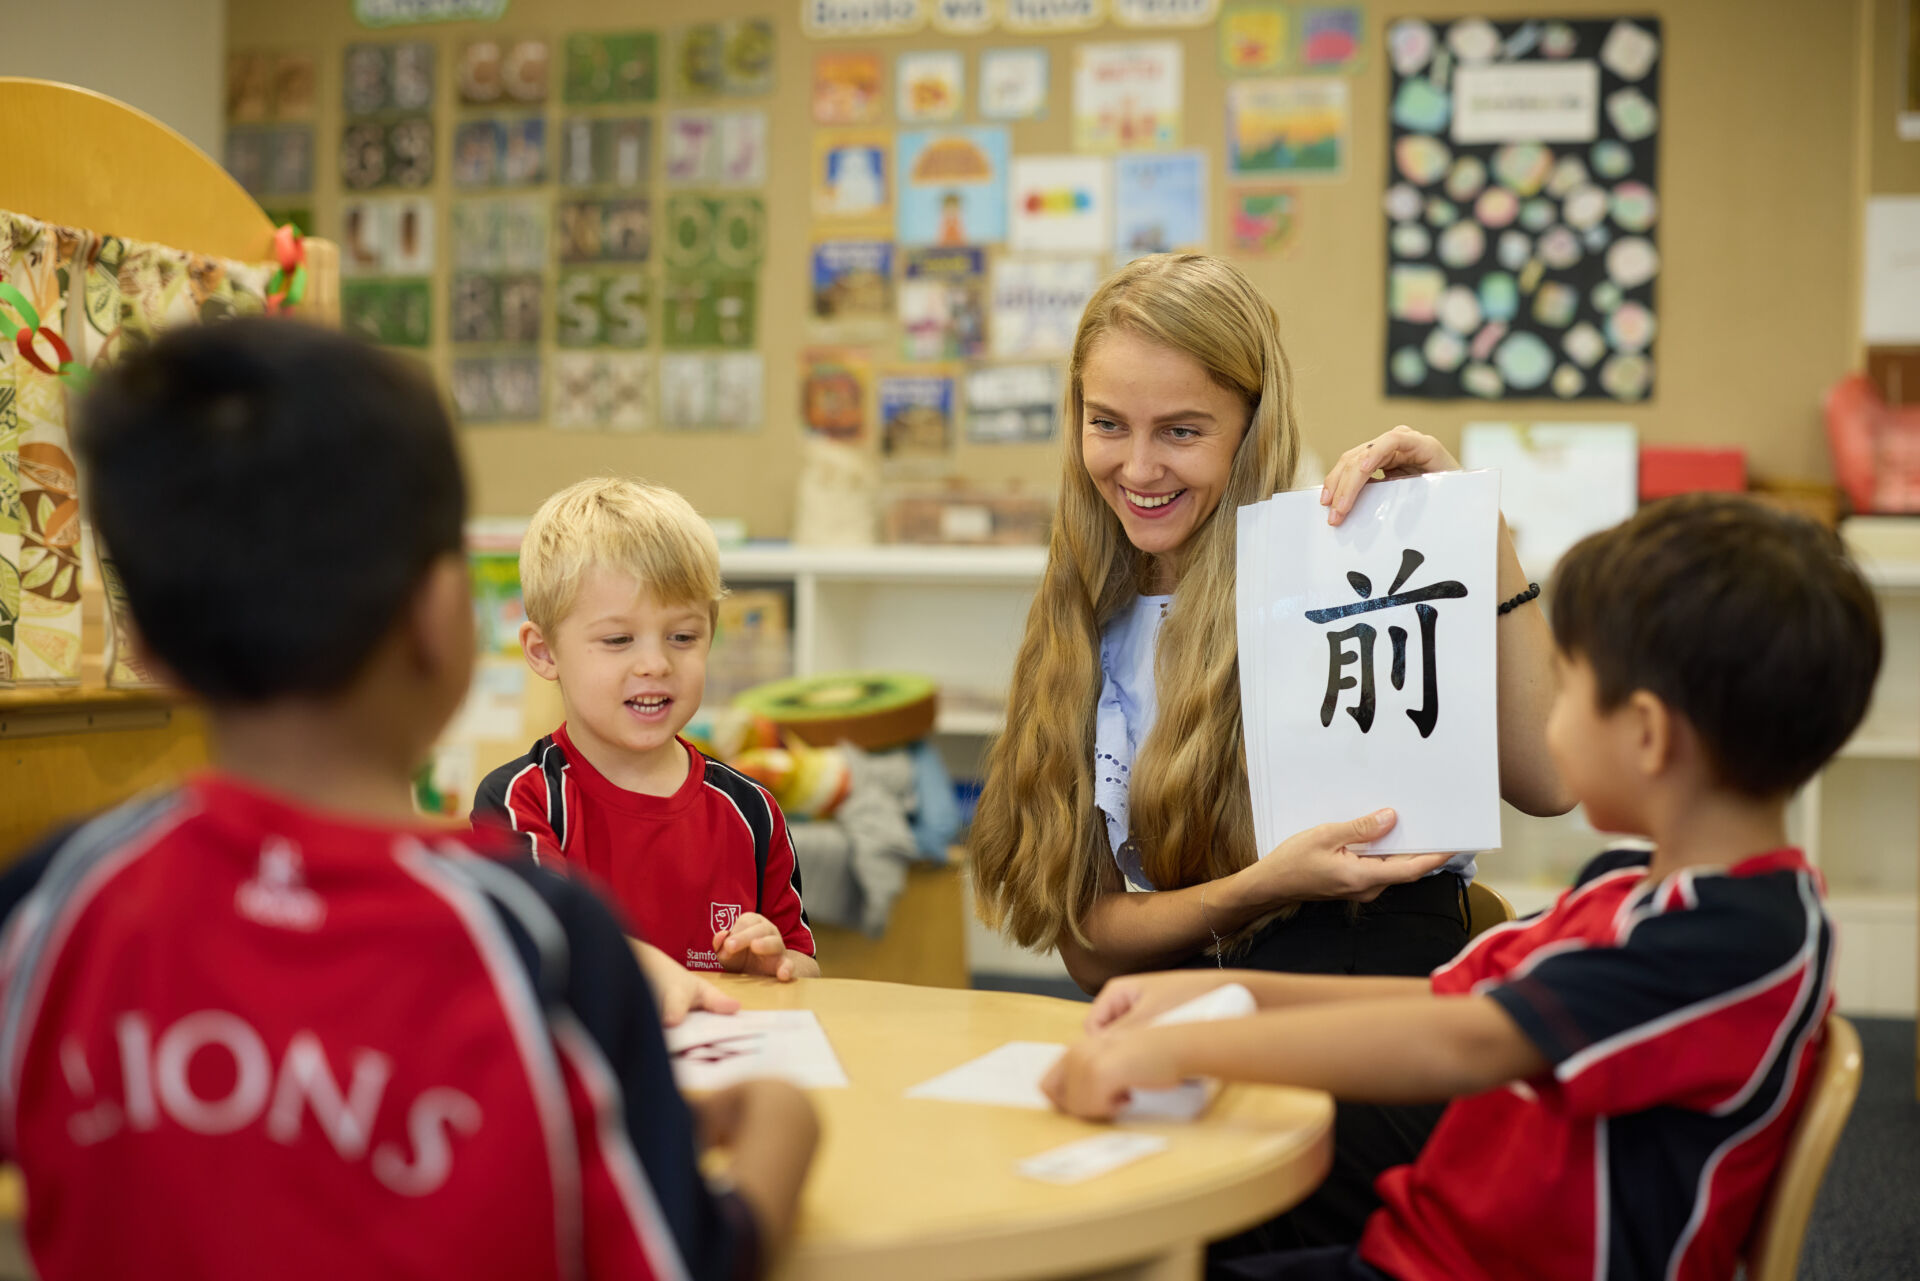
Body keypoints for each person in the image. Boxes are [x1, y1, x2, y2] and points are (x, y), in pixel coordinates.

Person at [0, 320, 816, 1279]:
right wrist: (781, 1130)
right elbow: (686, 1258)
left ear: (148, 649)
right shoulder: (539, 941)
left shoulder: (53, 901)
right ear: (443, 619)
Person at [1044, 494, 1879, 1281]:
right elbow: (1445, 1001)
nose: (1550, 716)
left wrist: (1173, 1050)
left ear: (1649, 734)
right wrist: (1222, 993)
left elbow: (1465, 1042)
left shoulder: (1725, 941)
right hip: (1421, 1251)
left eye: (1570, 685)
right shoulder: (1638, 891)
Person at [967, 252, 1571, 1244]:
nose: (1139, 468)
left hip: (1381, 997)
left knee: (1170, 1209)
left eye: (1182, 431)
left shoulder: (1342, 559)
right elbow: (1088, 945)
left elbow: (1550, 782)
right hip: (1204, 1001)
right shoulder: (1084, 620)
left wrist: (1476, 530)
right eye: (1108, 423)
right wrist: (1262, 887)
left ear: (1252, 428)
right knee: (1049, 1181)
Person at [473, 477, 819, 985]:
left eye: (682, 636)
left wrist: (772, 964)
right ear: (544, 652)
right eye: (618, 640)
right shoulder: (522, 800)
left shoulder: (752, 810)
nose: (655, 663)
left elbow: (804, 967)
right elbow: (546, 941)